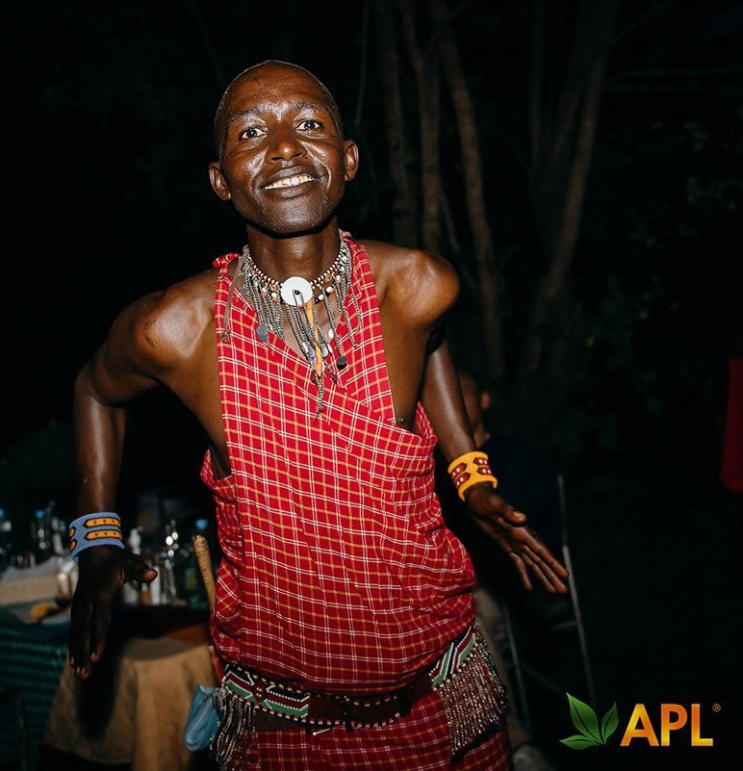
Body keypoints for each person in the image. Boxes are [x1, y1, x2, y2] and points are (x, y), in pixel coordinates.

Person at [68, 60, 568, 770]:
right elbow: (94, 390)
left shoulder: (416, 284)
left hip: (444, 704)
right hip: (287, 731)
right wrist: (96, 538)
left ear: (348, 158)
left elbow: (430, 343)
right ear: (219, 179)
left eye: (308, 124)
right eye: (250, 133)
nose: (282, 147)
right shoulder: (177, 329)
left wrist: (470, 473)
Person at [432, 367, 563, 771]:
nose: (454, 397)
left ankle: (513, 743)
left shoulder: (521, 458)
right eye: (446, 390)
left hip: (520, 591)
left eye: (463, 389)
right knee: (456, 609)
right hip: (458, 589)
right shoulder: (433, 470)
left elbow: (541, 534)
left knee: (466, 612)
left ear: (485, 399)